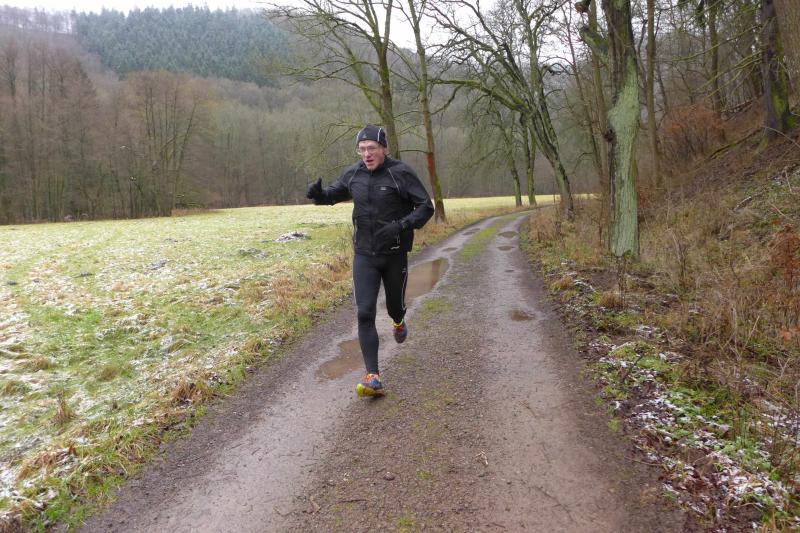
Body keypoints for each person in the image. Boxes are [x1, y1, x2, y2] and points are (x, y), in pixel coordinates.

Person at [306, 124, 435, 397]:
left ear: (384, 148)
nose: (367, 154)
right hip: (364, 254)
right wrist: (319, 196)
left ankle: (399, 320)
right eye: (362, 149)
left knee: (394, 307)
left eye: (372, 148)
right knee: (364, 312)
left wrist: (401, 225)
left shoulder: (400, 173)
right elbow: (334, 194)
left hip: (394, 254)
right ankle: (372, 376)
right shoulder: (354, 173)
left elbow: (426, 206)